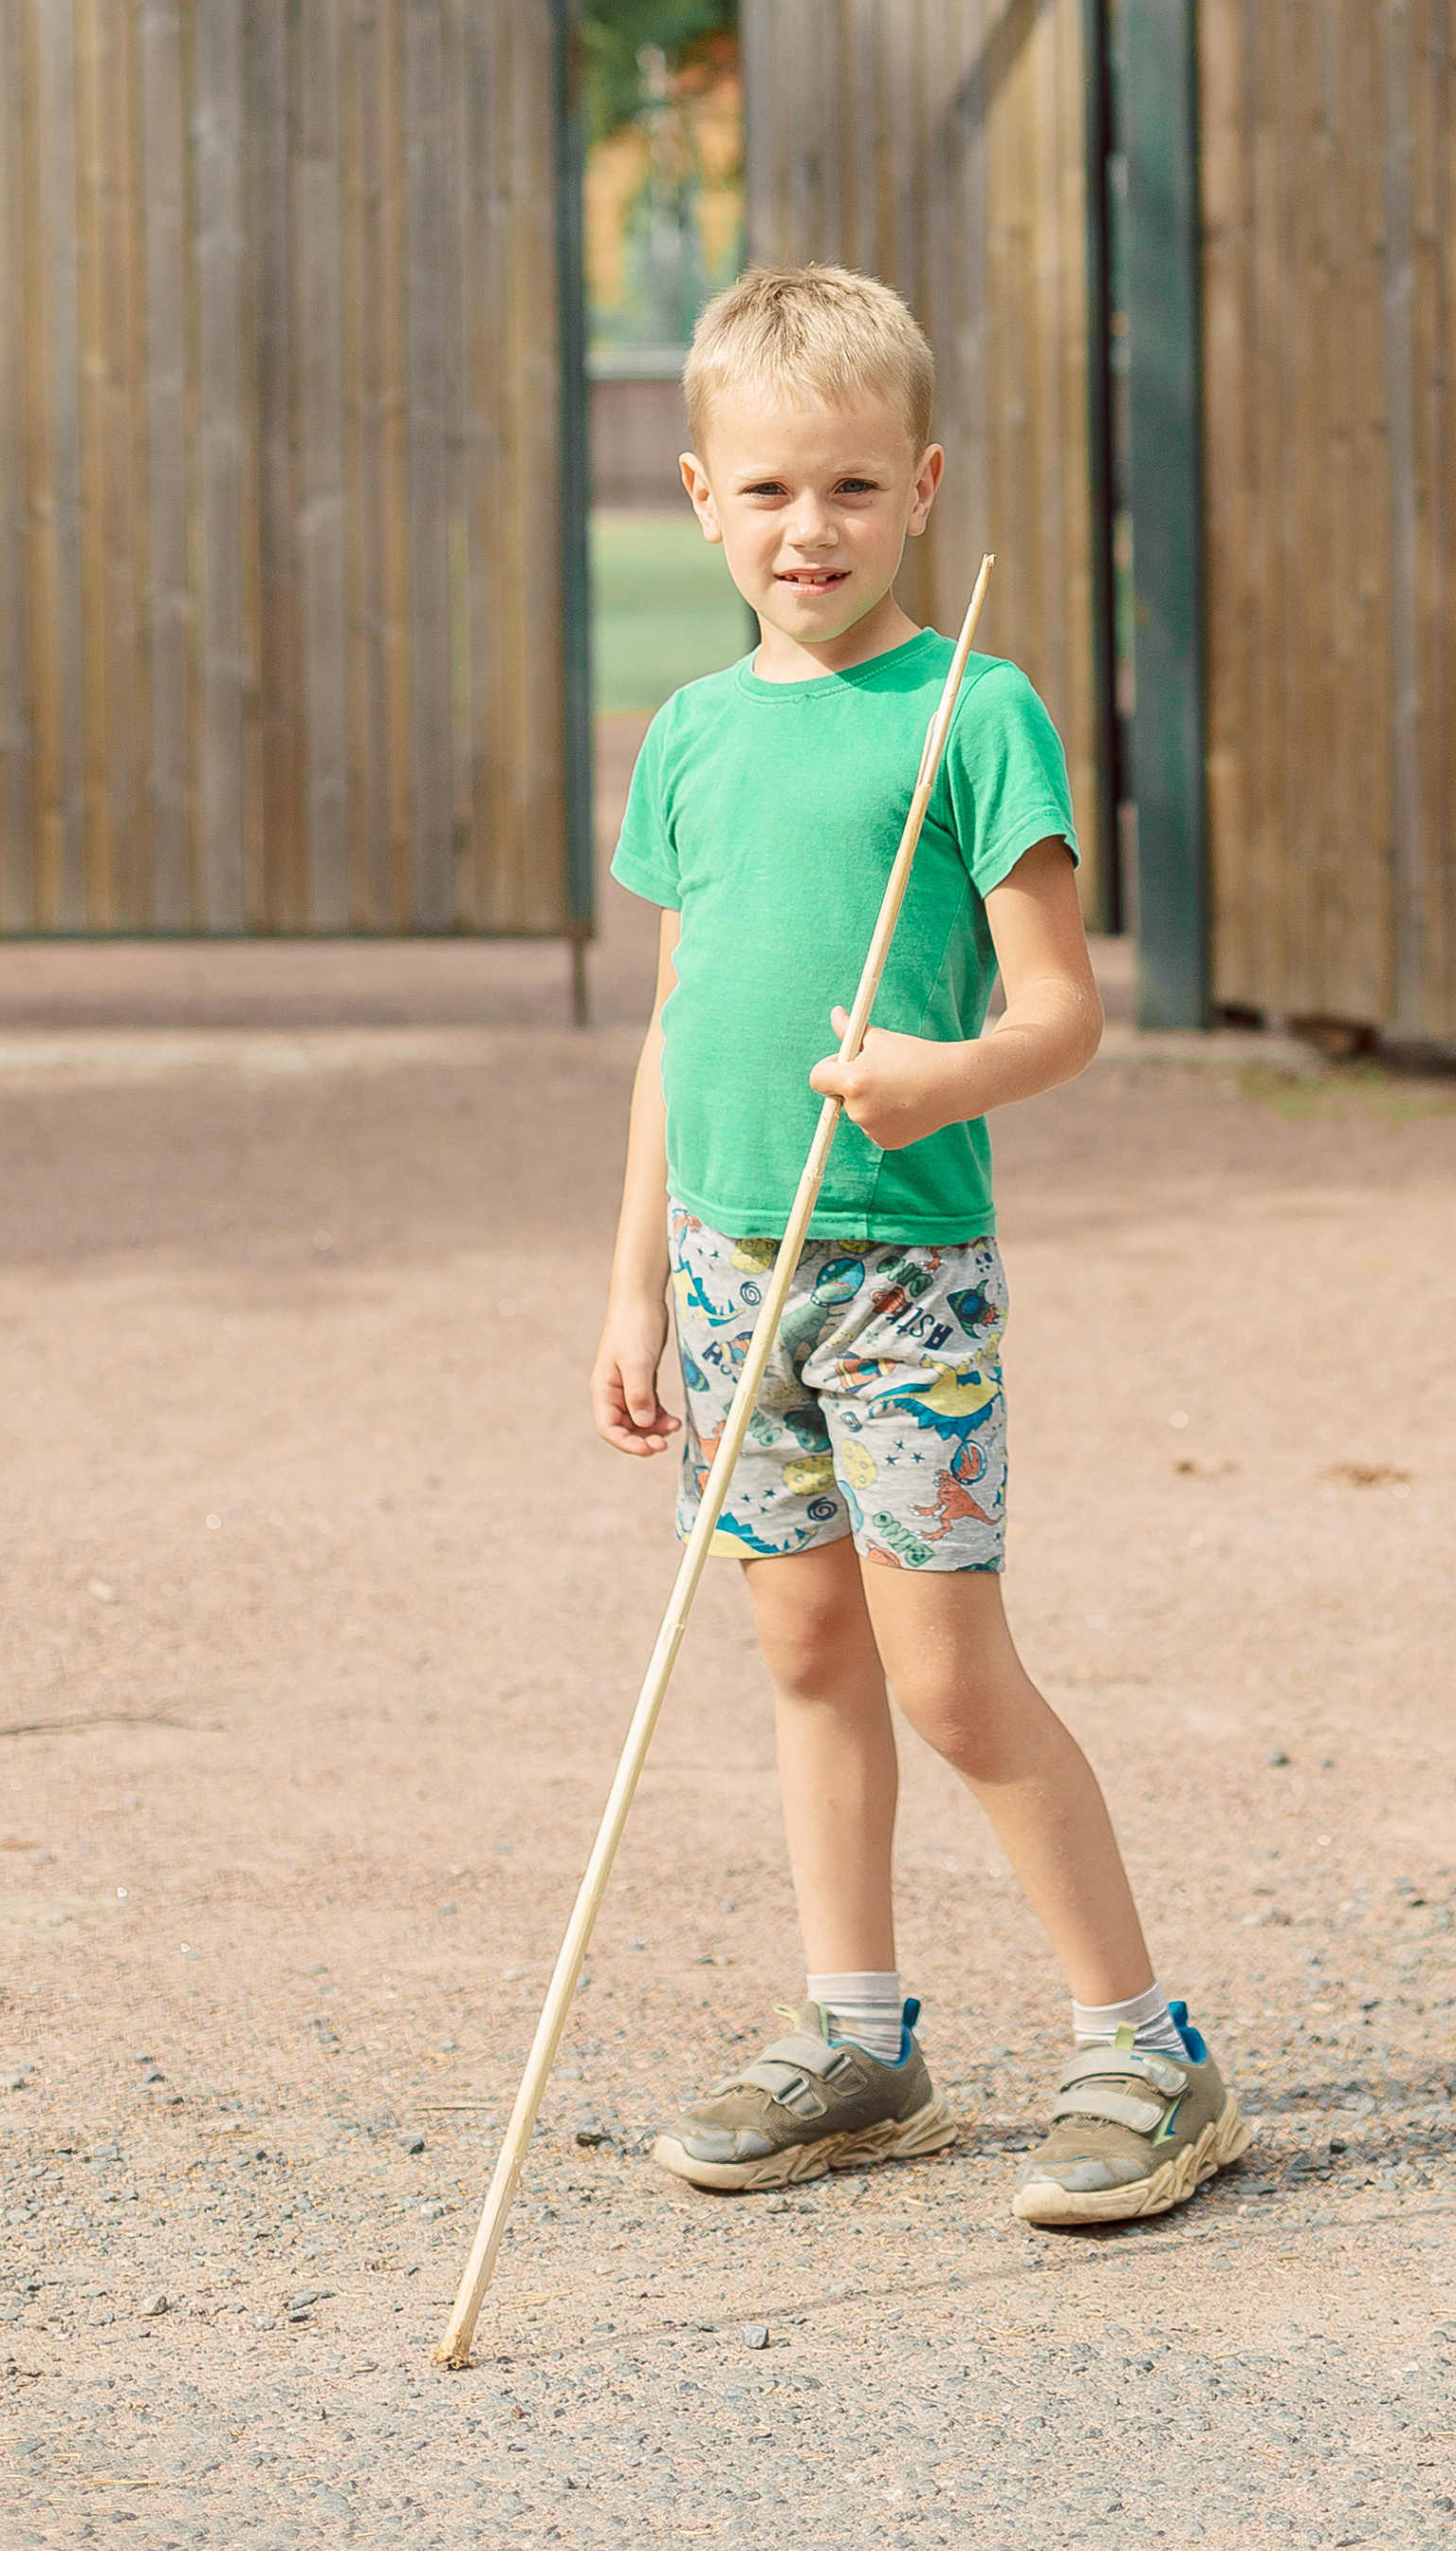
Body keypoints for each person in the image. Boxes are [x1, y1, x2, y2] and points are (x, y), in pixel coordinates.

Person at [593, 260, 1244, 2230]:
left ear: (925, 488)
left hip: (896, 1279)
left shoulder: (978, 714)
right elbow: (677, 1026)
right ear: (700, 497)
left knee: (947, 1676)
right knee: (800, 1653)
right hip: (729, 1273)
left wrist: (928, 1077)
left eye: (856, 491)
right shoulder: (691, 734)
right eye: (773, 492)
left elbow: (1059, 1014)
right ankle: (858, 2039)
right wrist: (631, 1281)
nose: (814, 532)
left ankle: (1147, 2050)